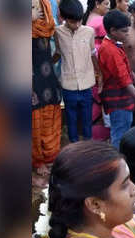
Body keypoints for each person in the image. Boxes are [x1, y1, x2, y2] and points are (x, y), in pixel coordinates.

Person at [98, 9, 135, 149]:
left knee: (123, 131)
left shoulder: (113, 45)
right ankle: (119, 165)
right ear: (113, 31)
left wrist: (133, 75)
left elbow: (123, 69)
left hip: (121, 99)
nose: (128, 34)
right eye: (125, 31)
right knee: (120, 135)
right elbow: (125, 82)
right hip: (118, 100)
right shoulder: (111, 51)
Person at [53, 0, 101, 143]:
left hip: (86, 84)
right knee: (71, 118)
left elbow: (93, 53)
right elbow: (58, 52)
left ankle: (88, 144)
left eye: (79, 21)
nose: (77, 25)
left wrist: (99, 73)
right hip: (69, 85)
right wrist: (48, 65)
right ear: (63, 18)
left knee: (87, 117)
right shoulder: (58, 32)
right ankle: (74, 144)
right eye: (73, 22)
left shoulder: (89, 32)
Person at [32, 0, 62, 187]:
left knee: (50, 107)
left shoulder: (47, 3)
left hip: (45, 69)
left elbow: (51, 28)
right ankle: (35, 163)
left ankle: (48, 155)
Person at [83, 0, 111, 141]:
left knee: (94, 104)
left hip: (90, 68)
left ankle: (92, 137)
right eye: (106, 3)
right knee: (100, 104)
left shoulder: (87, 18)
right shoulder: (101, 21)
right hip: (99, 67)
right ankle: (99, 139)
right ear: (97, 4)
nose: (109, 6)